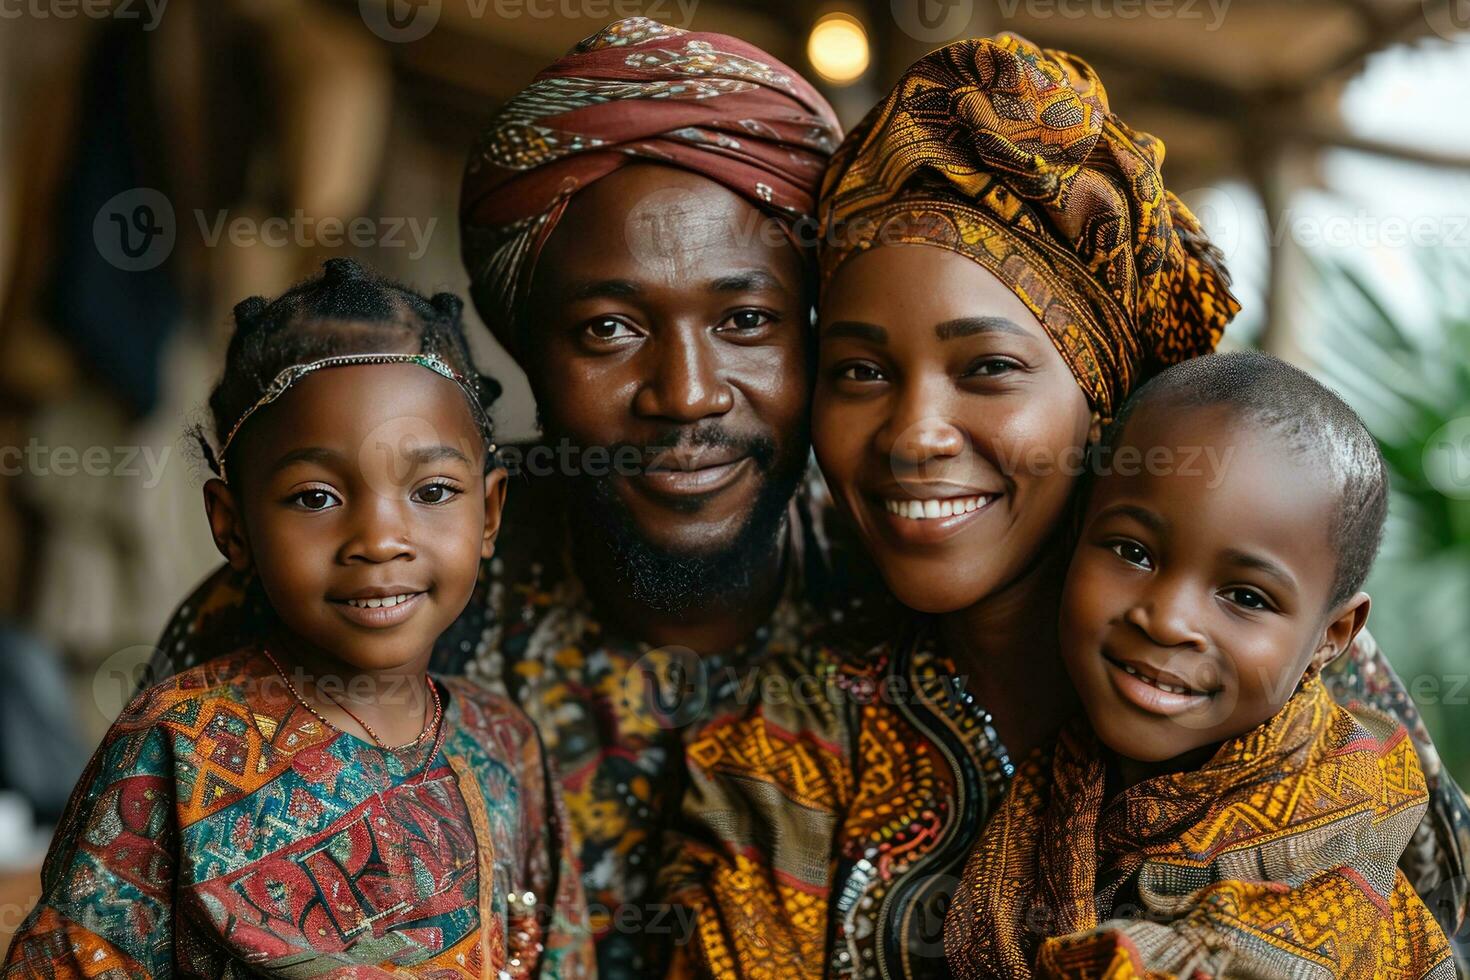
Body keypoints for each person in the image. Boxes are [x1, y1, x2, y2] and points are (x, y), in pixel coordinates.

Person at [661, 33, 1470, 978]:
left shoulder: (1303, 721)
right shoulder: (791, 753)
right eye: (861, 371)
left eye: (990, 369)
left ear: (1105, 403)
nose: (914, 434)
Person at [142, 18, 860, 979]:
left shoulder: (890, 610)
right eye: (608, 328)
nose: (688, 392)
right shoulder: (334, 610)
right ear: (530, 354)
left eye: (747, 320)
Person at [5, 260, 592, 979]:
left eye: (433, 490)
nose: (379, 539)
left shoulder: (505, 748)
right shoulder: (173, 748)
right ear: (233, 527)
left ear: (490, 513)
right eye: (315, 498)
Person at [944, 351, 1453, 978]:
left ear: (1332, 636)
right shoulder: (1066, 779)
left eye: (1245, 597)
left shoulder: (1337, 850)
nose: (1166, 620)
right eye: (1132, 552)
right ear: (1078, 528)